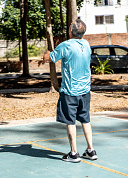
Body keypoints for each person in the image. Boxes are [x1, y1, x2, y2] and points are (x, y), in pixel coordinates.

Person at [43, 18, 96, 163]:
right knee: (85, 120)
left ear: (70, 31)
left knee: (70, 122)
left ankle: (74, 153)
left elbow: (50, 58)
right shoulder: (86, 44)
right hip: (85, 90)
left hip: (70, 92)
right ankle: (91, 150)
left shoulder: (65, 45)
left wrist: (46, 52)